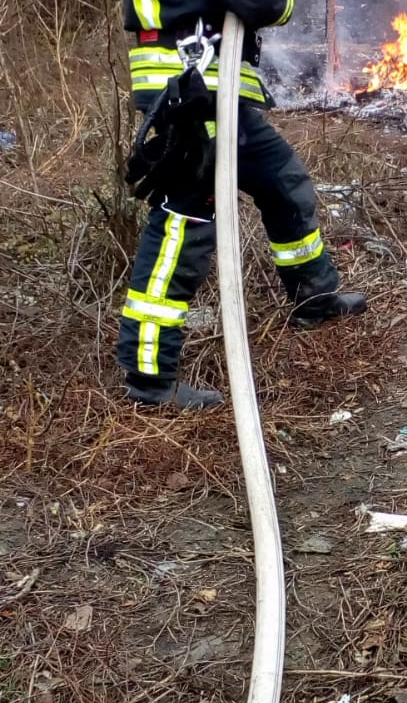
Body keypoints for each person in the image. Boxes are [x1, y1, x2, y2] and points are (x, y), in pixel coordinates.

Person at [118, 0, 367, 409]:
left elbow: (276, 9)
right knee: (182, 229)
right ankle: (149, 377)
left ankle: (313, 298)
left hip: (221, 94)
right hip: (191, 96)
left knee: (283, 184)